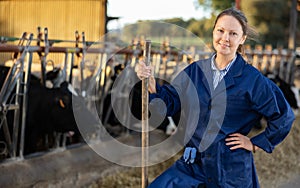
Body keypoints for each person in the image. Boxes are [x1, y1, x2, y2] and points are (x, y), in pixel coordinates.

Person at [135, 7, 295, 188]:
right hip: (193, 163)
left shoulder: (253, 80)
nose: (225, 38)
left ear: (242, 39)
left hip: (230, 169)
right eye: (221, 30)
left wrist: (254, 143)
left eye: (233, 33)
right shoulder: (195, 72)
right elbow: (170, 103)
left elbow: (284, 117)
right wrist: (152, 87)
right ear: (213, 32)